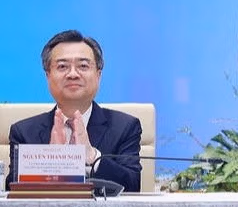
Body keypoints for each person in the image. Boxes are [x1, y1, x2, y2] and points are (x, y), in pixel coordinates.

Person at [6, 30, 142, 191]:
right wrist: (49, 163)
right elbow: (11, 190)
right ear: (48, 76)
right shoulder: (24, 132)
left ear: (98, 75)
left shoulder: (124, 127)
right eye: (62, 66)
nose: (72, 74)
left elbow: (133, 186)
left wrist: (92, 156)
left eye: (83, 66)